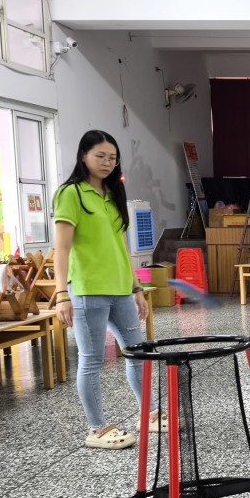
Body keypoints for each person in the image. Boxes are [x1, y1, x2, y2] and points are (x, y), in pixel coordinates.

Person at [53, 129, 159, 450]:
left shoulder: (113, 195)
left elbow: (121, 245)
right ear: (83, 155)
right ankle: (97, 428)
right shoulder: (70, 194)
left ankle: (150, 414)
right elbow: (61, 249)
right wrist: (61, 294)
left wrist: (136, 287)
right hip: (87, 291)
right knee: (92, 359)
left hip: (121, 290)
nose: (107, 162)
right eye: (100, 156)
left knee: (138, 352)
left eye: (112, 158)